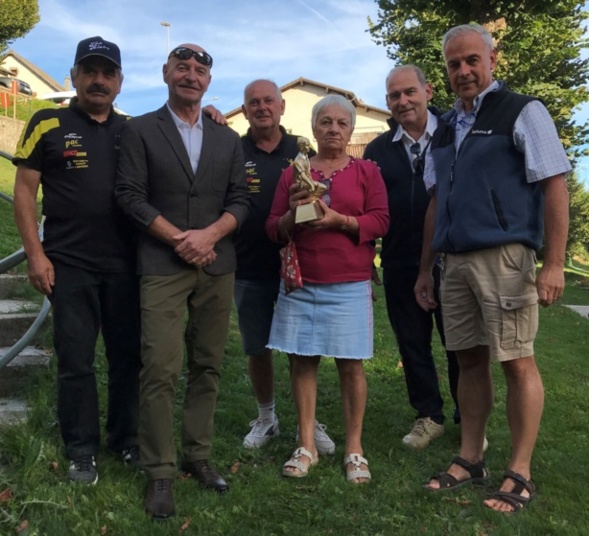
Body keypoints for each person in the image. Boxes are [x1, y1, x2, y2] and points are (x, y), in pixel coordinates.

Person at [414, 24, 570, 513]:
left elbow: (555, 185)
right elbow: (437, 201)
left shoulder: (523, 111)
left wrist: (555, 263)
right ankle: (471, 456)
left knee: (516, 360)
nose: (463, 71)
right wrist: (425, 269)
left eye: (471, 61)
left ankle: (519, 470)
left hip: (505, 256)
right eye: (453, 64)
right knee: (468, 359)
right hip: (453, 261)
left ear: (492, 59)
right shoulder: (443, 127)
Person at [114, 43, 249, 519]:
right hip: (162, 265)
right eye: (182, 68)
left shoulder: (226, 138)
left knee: (208, 365)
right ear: (166, 73)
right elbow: (128, 196)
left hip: (217, 263)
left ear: (209, 82)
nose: (191, 75)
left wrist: (210, 234)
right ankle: (161, 472)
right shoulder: (139, 130)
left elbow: (240, 200)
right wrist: (178, 239)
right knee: (160, 368)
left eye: (199, 70)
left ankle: (198, 455)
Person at [12, 36, 141, 484]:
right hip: (68, 263)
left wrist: (210, 115)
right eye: (90, 71)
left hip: (127, 264)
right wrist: (35, 254)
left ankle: (125, 440)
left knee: (128, 358)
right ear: (74, 76)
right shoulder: (47, 122)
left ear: (120, 83)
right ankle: (81, 448)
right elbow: (25, 190)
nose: (98, 80)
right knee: (76, 360)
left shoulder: (133, 131)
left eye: (108, 73)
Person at [266, 94, 389, 484]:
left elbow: (381, 221)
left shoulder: (367, 171)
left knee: (351, 366)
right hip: (301, 282)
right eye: (325, 122)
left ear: (350, 130)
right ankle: (307, 445)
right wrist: (291, 216)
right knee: (302, 361)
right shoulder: (294, 172)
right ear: (315, 128)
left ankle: (354, 449)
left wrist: (341, 221)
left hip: (349, 283)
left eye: (341, 123)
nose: (333, 129)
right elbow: (272, 227)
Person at [235, 79, 335, 455]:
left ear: (281, 107)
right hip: (249, 262)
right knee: (257, 345)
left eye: (268, 101)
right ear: (244, 111)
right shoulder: (232, 149)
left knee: (301, 348)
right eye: (253, 102)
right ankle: (266, 416)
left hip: (301, 265)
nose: (262, 107)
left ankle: (308, 422)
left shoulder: (303, 149)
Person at [363, 65, 460, 449]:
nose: (402, 101)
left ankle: (468, 417)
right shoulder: (377, 150)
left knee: (460, 342)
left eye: (409, 92)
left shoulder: (456, 134)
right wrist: (367, 257)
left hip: (454, 258)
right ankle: (428, 415)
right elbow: (366, 207)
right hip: (400, 260)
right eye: (393, 96)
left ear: (428, 91)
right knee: (412, 342)